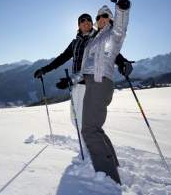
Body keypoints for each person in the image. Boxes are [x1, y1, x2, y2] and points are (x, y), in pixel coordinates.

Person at [33, 12, 133, 161]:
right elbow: (61, 58)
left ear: (91, 23)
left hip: (90, 84)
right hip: (75, 84)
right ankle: (98, 153)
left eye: (88, 20)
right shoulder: (75, 43)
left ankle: (90, 155)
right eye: (82, 21)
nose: (85, 22)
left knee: (86, 123)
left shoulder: (97, 37)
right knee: (75, 119)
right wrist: (44, 70)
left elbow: (112, 51)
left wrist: (123, 62)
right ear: (79, 25)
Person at [79, 0, 131, 184]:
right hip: (92, 84)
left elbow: (121, 26)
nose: (101, 19)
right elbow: (88, 66)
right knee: (95, 129)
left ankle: (109, 178)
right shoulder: (94, 39)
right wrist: (74, 79)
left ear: (110, 18)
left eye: (105, 16)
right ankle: (113, 166)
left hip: (101, 84)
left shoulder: (113, 34)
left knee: (89, 130)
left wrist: (122, 3)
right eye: (98, 16)